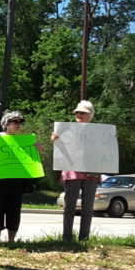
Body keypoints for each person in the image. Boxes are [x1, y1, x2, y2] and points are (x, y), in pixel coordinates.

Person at [51, 100, 99, 243]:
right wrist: (55, 139)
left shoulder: (99, 132)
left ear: (90, 115)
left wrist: (111, 140)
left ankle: (84, 237)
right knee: (69, 206)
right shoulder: (66, 130)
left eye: (82, 113)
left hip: (91, 172)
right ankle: (67, 237)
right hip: (72, 171)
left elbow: (105, 149)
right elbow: (59, 146)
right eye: (77, 112)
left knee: (88, 208)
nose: (78, 115)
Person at [0, 110, 32, 244]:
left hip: (16, 180)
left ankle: (11, 240)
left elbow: (32, 158)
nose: (19, 125)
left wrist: (35, 148)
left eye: (21, 122)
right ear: (6, 123)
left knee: (14, 209)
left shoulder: (24, 141)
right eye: (15, 121)